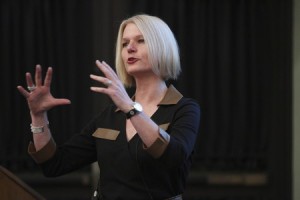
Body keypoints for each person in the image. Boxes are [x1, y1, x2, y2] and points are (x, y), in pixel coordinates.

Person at [17, 14, 200, 200]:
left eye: (141, 40)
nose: (130, 48)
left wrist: (130, 108)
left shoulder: (184, 109)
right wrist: (38, 116)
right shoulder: (110, 116)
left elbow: (174, 158)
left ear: (161, 46)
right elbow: (54, 165)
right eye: (124, 43)